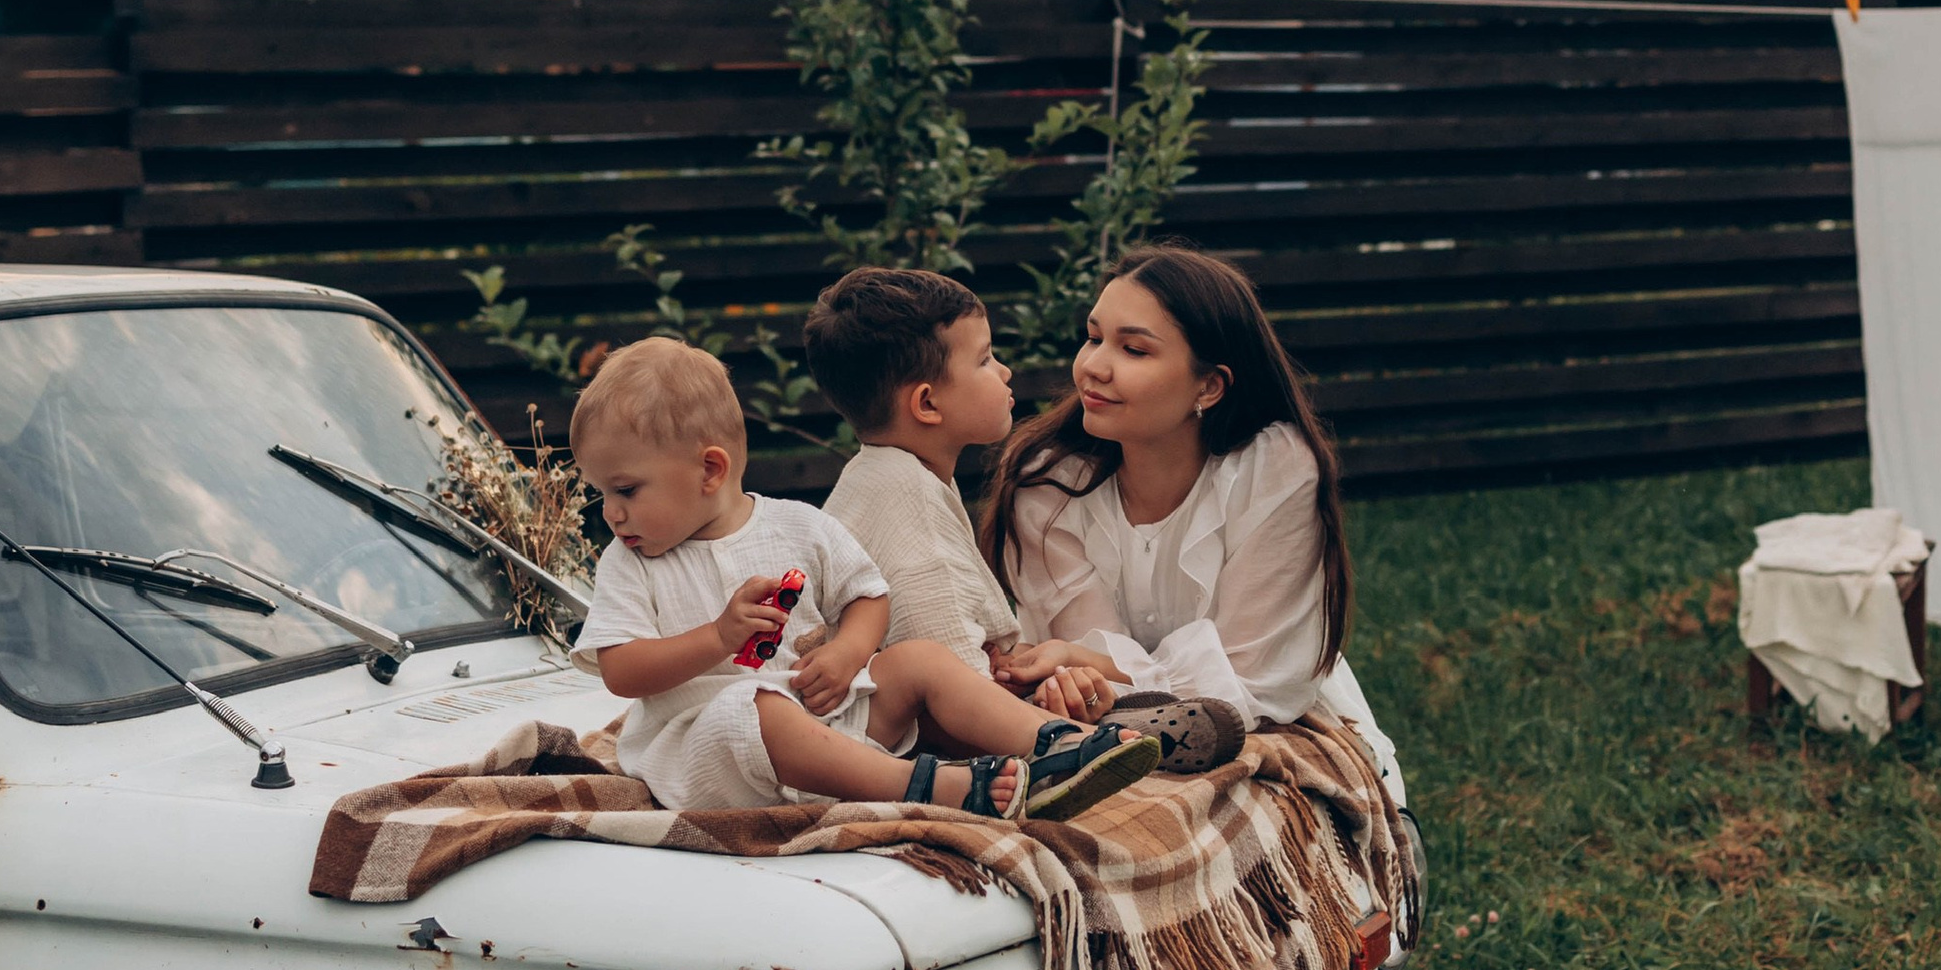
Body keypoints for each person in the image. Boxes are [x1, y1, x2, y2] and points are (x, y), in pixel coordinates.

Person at [568, 336, 1162, 821]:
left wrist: (851, 653)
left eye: (624, 491)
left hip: (826, 718)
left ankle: (1060, 747)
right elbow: (621, 671)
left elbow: (868, 596)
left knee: (919, 659)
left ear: (710, 469)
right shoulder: (631, 563)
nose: (610, 514)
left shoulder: (796, 526)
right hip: (705, 750)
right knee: (752, 705)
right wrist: (717, 638)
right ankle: (935, 786)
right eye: (602, 494)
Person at [983, 246, 1399, 779]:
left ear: (1209, 386)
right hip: (1096, 728)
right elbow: (1093, 683)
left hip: (1272, 721)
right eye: (1093, 337)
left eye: (1133, 349)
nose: (1092, 366)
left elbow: (1252, 679)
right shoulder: (1046, 485)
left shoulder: (1274, 469)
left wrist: (1087, 664)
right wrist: (1083, 669)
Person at [807, 264, 1245, 768]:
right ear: (927, 404)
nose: (1004, 372)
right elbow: (947, 665)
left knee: (1055, 683)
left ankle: (1104, 726)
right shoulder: (902, 494)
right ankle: (1095, 742)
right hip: (889, 731)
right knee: (1027, 706)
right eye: (985, 360)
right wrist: (1015, 694)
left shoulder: (892, 477)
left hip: (903, 708)